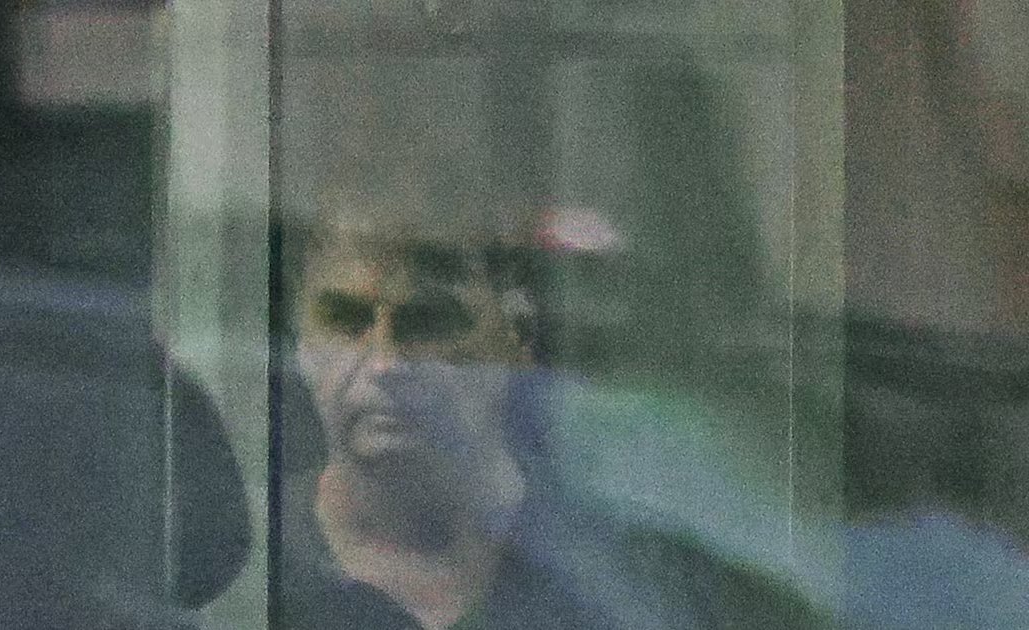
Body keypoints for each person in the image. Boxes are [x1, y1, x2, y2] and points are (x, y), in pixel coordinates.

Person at [275, 150, 835, 629]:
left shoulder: (634, 583)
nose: (384, 363)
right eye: (344, 320)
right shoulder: (257, 570)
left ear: (515, 338)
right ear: (299, 340)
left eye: (429, 321)